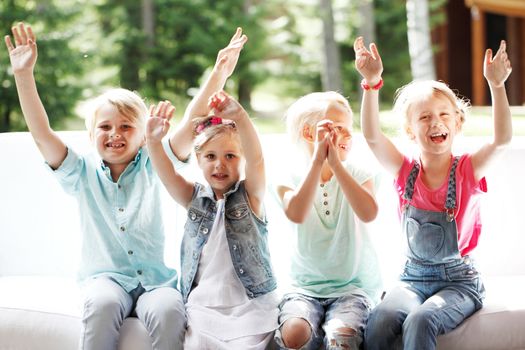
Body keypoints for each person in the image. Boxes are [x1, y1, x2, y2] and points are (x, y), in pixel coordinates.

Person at [4, 23, 186, 350]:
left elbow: (187, 130)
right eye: (105, 126)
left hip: (157, 282)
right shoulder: (81, 170)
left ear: (144, 136)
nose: (114, 133)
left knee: (170, 310)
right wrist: (23, 76)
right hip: (105, 280)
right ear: (91, 136)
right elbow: (42, 134)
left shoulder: (154, 163)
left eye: (126, 126)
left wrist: (218, 73)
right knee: (100, 306)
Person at [354, 36, 512, 350]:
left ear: (458, 123)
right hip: (411, 278)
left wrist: (497, 86)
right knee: (381, 317)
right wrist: (371, 85)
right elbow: (372, 137)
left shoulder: (467, 169)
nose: (435, 122)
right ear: (411, 130)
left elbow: (502, 140)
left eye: (443, 115)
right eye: (424, 117)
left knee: (421, 319)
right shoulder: (405, 172)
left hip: (459, 283)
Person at [146, 90, 279, 350]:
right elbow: (167, 174)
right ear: (198, 159)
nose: (220, 165)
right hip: (204, 303)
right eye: (211, 156)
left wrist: (240, 116)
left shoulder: (250, 195)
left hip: (249, 302)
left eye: (230, 156)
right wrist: (152, 141)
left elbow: (258, 160)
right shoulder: (194, 197)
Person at [273, 91, 383, 350]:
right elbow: (296, 212)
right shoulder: (286, 175)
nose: (347, 136)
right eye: (338, 129)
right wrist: (318, 162)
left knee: (342, 336)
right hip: (302, 288)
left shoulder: (359, 172)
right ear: (310, 134)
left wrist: (335, 163)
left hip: (352, 289)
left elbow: (369, 212)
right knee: (294, 333)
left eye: (349, 130)